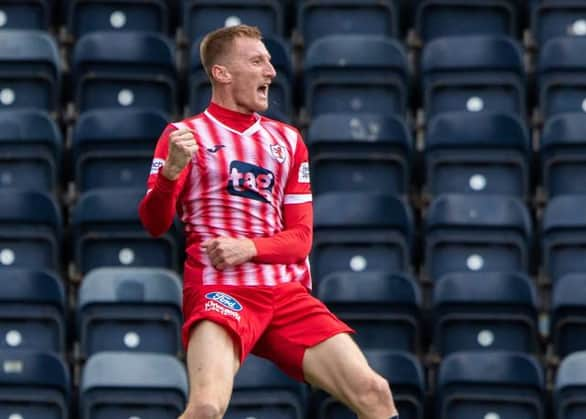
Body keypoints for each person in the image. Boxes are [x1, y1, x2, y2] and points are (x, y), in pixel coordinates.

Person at [138, 24, 399, 419]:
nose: (271, 72)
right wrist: (171, 174)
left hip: (286, 294)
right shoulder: (183, 136)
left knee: (374, 393)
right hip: (220, 292)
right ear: (221, 73)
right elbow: (154, 224)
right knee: (206, 408)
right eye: (257, 61)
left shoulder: (288, 141)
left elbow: (301, 239)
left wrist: (250, 248)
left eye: (270, 62)